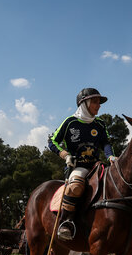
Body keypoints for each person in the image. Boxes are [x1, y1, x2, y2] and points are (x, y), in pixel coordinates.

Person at [48, 87, 116, 241]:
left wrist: (110, 156)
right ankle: (66, 223)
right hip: (78, 166)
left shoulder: (100, 124)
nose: (98, 105)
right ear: (83, 103)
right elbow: (52, 141)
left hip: (96, 165)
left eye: (99, 102)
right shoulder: (70, 122)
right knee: (76, 186)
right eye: (95, 102)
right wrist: (64, 154)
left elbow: (105, 143)